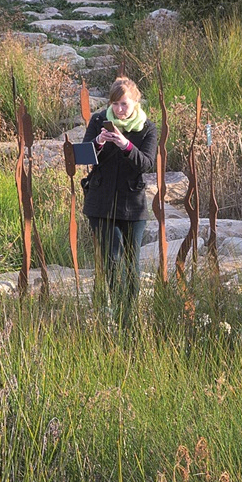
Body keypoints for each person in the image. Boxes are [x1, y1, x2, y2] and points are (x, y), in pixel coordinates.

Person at [80, 76, 159, 321]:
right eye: (115, 104)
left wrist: (126, 145)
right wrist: (98, 143)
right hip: (100, 202)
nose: (119, 109)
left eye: (124, 104)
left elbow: (146, 164)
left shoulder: (147, 128)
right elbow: (83, 156)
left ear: (135, 102)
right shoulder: (98, 121)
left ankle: (130, 314)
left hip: (132, 204)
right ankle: (120, 314)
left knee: (131, 261)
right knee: (112, 260)